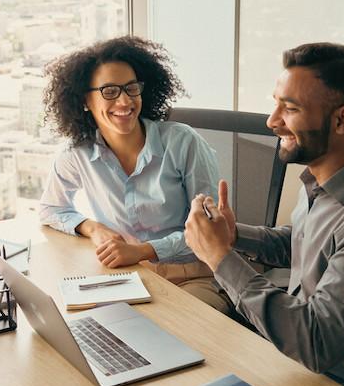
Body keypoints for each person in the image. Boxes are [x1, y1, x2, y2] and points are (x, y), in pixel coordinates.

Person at [184, 43, 344, 386]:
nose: (272, 121)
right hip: (294, 363)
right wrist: (233, 236)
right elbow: (304, 243)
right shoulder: (324, 177)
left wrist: (219, 259)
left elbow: (317, 342)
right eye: (276, 103)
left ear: (342, 120)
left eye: (289, 109)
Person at [40, 36, 233, 314]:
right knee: (89, 328)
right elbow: (50, 209)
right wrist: (92, 227)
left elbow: (212, 234)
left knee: (176, 333)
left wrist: (143, 251)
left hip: (194, 276)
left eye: (131, 88)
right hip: (128, 277)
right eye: (109, 91)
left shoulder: (182, 143)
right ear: (85, 100)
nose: (125, 100)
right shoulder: (77, 154)